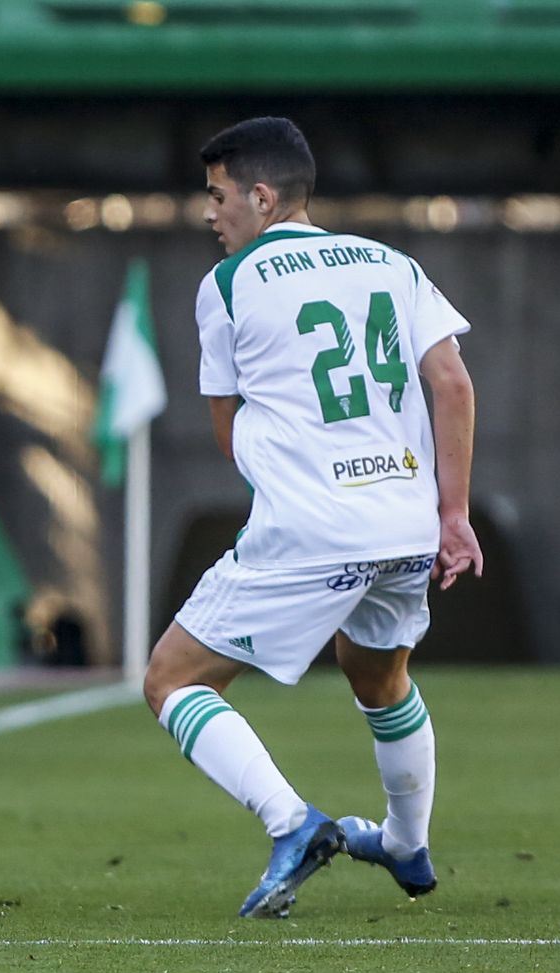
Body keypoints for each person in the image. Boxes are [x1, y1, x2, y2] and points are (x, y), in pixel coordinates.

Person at [141, 117, 481, 918]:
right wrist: (454, 513)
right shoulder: (392, 264)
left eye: (218, 196)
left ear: (260, 197)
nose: (210, 214)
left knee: (171, 679)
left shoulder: (225, 286)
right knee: (378, 674)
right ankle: (405, 842)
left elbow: (229, 433)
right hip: (406, 521)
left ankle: (292, 823)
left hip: (310, 525)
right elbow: (454, 385)